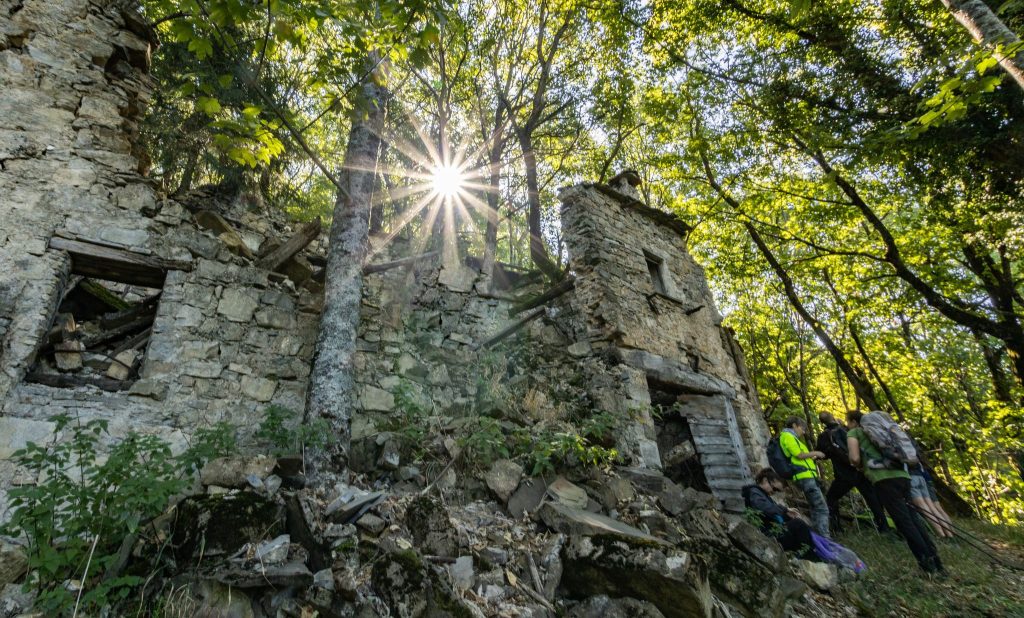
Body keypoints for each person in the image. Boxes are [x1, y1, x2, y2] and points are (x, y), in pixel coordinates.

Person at [847, 410, 945, 574]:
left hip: (883, 479)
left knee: (904, 522)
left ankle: (927, 565)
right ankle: (937, 562)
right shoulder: (882, 429)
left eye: (848, 422)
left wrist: (858, 465)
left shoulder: (854, 433)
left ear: (853, 422)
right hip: (903, 476)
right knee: (914, 519)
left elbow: (854, 458)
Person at [816, 412, 891, 535]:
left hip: (843, 475)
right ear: (833, 417)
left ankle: (837, 528)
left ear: (822, 422)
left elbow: (822, 455)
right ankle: (884, 528)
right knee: (872, 498)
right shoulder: (848, 429)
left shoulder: (824, 436)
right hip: (861, 470)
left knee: (831, 498)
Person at [742, 468, 818, 560]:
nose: (773, 492)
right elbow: (764, 508)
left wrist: (787, 516)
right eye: (774, 489)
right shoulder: (754, 492)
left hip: (773, 532)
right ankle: (808, 556)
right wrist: (785, 510)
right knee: (798, 524)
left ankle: (811, 555)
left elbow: (772, 512)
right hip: (767, 534)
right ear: (765, 480)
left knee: (802, 527)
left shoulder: (763, 495)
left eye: (777, 491)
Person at [779, 416, 830, 537]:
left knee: (815, 508)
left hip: (806, 476)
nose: (803, 431)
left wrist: (811, 458)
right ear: (794, 425)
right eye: (802, 428)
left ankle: (818, 537)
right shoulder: (787, 436)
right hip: (805, 477)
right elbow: (799, 455)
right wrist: (816, 453)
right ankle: (825, 538)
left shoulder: (792, 437)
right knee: (821, 508)